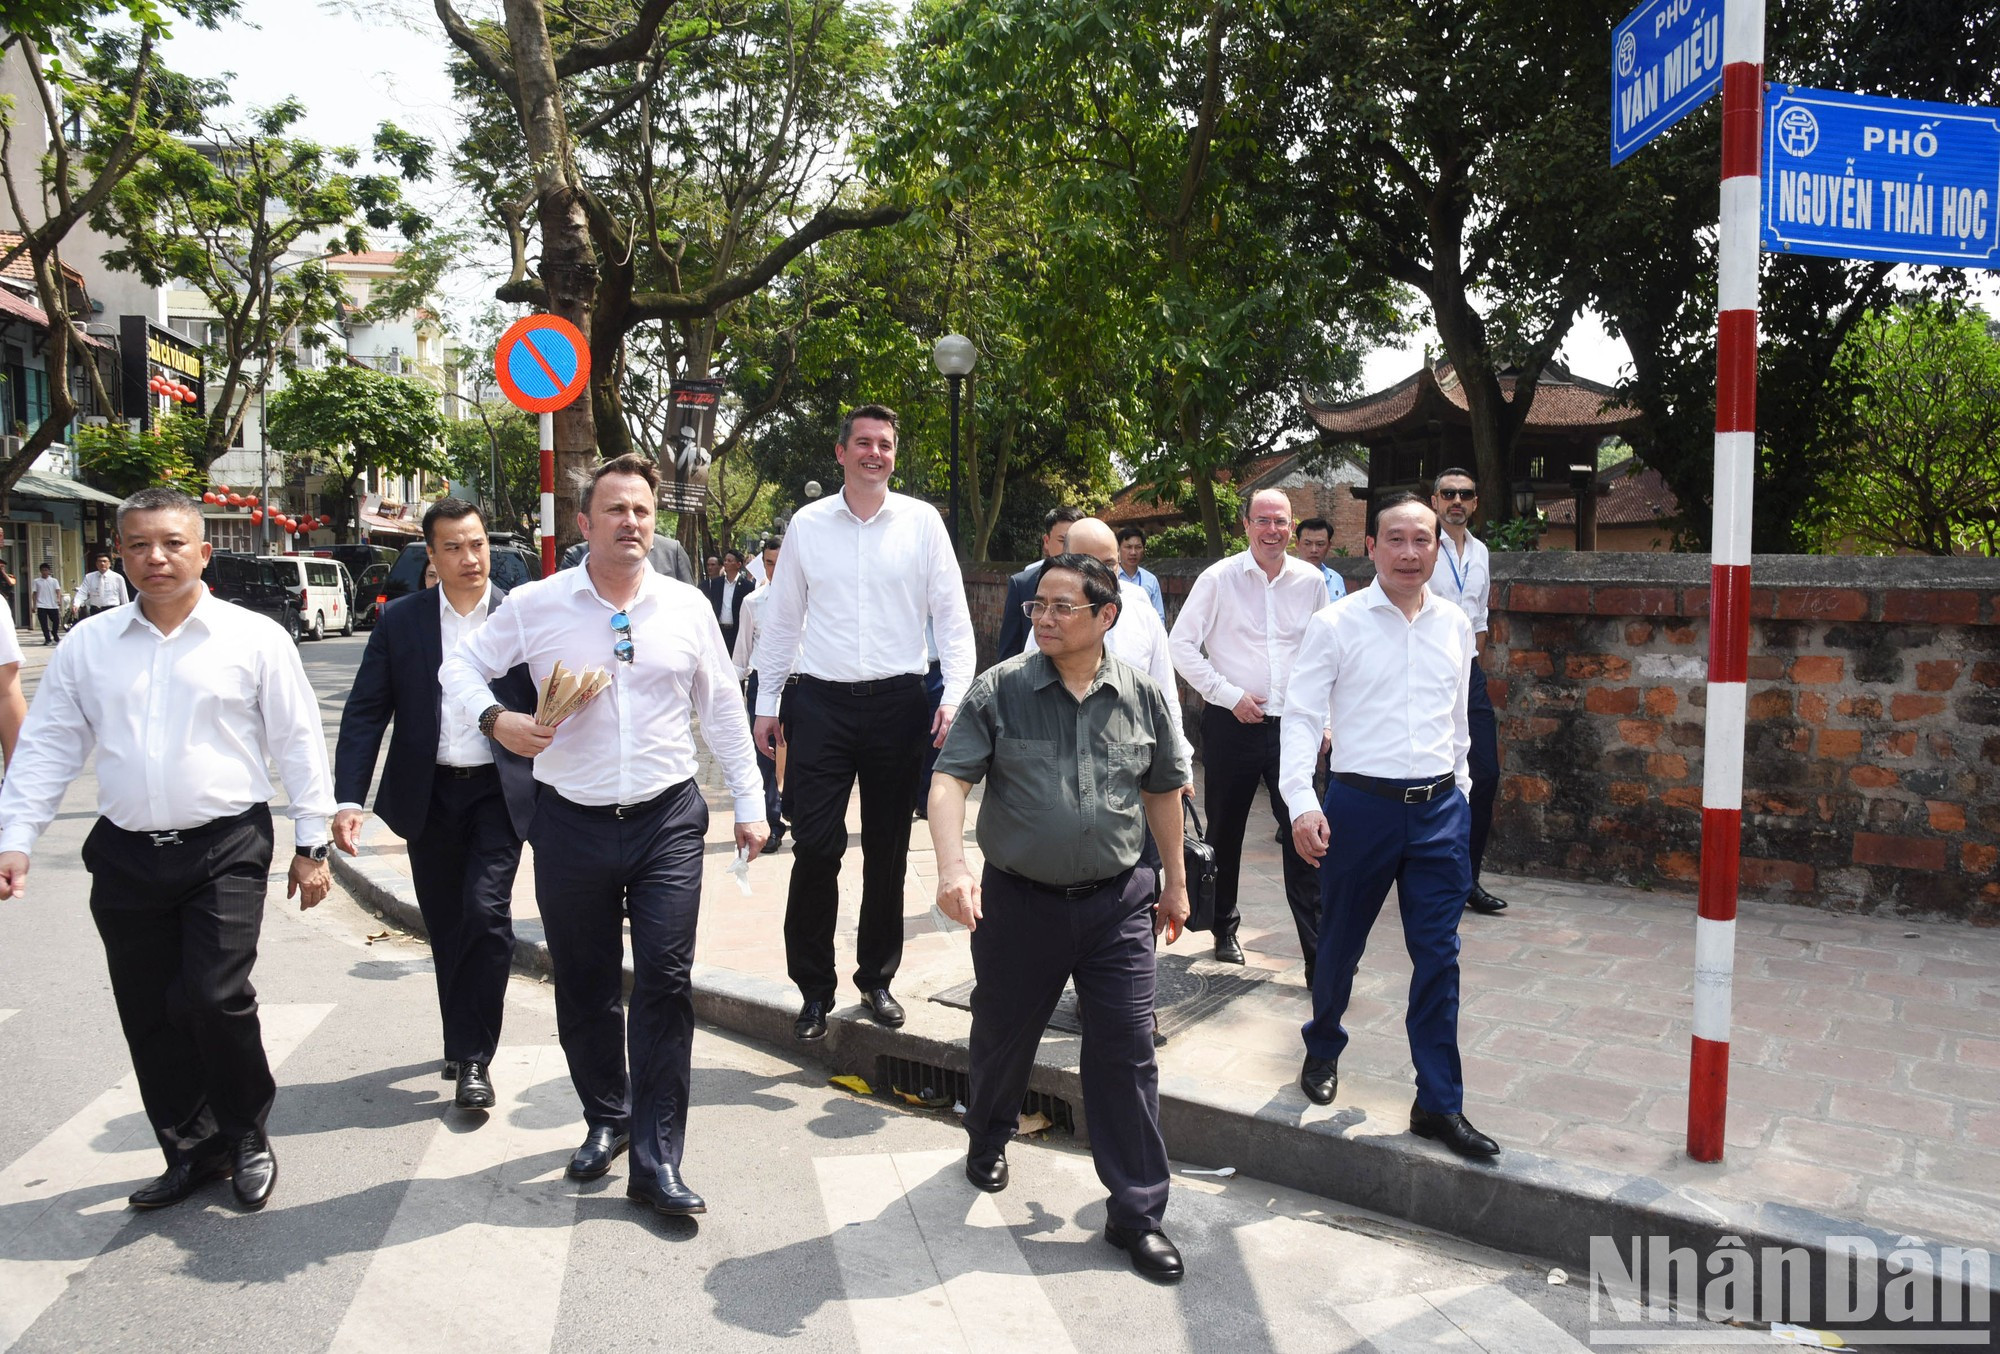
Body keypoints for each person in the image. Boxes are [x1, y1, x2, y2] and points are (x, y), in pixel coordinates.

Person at [441, 453, 767, 1217]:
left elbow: (721, 706)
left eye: (642, 512)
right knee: (586, 986)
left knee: (664, 980)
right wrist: (498, 719)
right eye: (615, 510)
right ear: (583, 524)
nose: (631, 523)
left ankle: (657, 1160)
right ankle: (607, 1117)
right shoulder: (537, 603)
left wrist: (750, 802)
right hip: (569, 823)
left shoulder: (686, 607)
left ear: (656, 525)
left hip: (666, 820)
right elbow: (460, 668)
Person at [0, 487, 335, 1211]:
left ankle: (246, 1133)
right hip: (124, 853)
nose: (156, 558)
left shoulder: (253, 639)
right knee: (149, 1009)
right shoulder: (90, 645)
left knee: (213, 997)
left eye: (172, 543)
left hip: (226, 844)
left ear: (203, 551)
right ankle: (191, 1149)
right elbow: (50, 746)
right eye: (139, 545)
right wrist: (15, 837)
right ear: (119, 555)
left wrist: (313, 844)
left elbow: (298, 742)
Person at [930, 553, 1191, 1283]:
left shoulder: (1140, 695)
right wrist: (953, 867)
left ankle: (1136, 1215)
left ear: (1105, 616)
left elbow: (1163, 789)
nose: (1041, 617)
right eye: (1036, 605)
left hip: (1117, 905)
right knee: (1003, 1037)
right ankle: (987, 1137)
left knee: (1126, 1052)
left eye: (1060, 607)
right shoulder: (1002, 689)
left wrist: (1173, 882)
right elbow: (949, 779)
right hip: (1020, 903)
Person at [1280, 492, 1497, 1159]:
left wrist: (1458, 792)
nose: (1410, 552)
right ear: (1370, 547)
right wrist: (1301, 802)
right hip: (1358, 808)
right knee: (1340, 943)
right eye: (1395, 540)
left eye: (1422, 540)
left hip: (1437, 815)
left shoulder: (1455, 624)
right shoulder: (1337, 623)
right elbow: (1300, 713)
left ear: (1439, 547)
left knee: (1440, 957)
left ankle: (1437, 1103)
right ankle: (1322, 1047)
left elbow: (1458, 721)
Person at [750, 404, 975, 1042]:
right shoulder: (808, 525)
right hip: (819, 703)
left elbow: (953, 620)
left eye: (886, 445)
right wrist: (768, 704)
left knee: (888, 850)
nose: (876, 453)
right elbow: (783, 620)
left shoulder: (923, 523)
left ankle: (875, 978)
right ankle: (813, 989)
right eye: (865, 443)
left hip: (900, 704)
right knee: (816, 848)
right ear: (842, 452)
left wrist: (953, 696)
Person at [332, 498, 539, 1111]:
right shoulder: (403, 622)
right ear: (431, 555)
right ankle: (460, 1039)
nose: (469, 558)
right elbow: (367, 711)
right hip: (427, 793)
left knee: (485, 915)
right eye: (453, 547)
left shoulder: (520, 616)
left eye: (477, 544)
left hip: (498, 793)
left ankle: (477, 1059)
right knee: (447, 925)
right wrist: (349, 798)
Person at [1167, 489, 1326, 976]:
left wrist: (1326, 721)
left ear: (1292, 525)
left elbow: (1325, 654)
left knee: (1307, 834)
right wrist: (1228, 694)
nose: (1273, 531)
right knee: (1226, 829)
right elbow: (1181, 646)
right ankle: (1224, 927)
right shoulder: (1219, 579)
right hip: (1233, 723)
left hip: (1294, 725)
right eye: (1263, 521)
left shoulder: (1311, 581)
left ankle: (1317, 953)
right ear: (1246, 525)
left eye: (1281, 522)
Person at [1429, 469, 1506, 917]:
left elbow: (1479, 616)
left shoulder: (1480, 552)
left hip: (1468, 673)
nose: (1457, 501)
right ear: (1435, 500)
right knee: (1430, 773)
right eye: (1449, 494)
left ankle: (1467, 879)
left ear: (1475, 503)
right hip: (1425, 670)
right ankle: (1427, 873)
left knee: (1485, 773)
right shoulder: (1422, 545)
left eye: (1466, 494)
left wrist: (1471, 664)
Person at [730, 534, 786, 850]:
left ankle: (800, 816)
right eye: (768, 563)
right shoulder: (753, 603)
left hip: (802, 685)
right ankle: (772, 822)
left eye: (780, 563)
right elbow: (741, 654)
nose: (774, 569)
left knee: (804, 758)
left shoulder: (812, 599)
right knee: (765, 759)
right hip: (763, 685)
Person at [995, 506, 1083, 660]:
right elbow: (1009, 651)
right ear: (1047, 541)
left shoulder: (1094, 585)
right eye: (1063, 541)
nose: (1069, 548)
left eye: (1076, 541)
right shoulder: (1022, 584)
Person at [558, 532, 694, 583]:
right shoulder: (577, 555)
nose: (630, 520)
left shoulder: (671, 551)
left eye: (640, 510)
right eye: (616, 509)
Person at [703, 548, 754, 655]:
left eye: (729, 561)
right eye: (725, 560)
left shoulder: (747, 586)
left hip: (737, 632)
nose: (726, 563)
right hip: (719, 631)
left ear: (738, 564)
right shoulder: (716, 584)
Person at [1116, 527, 1166, 621]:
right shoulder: (1111, 577)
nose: (1133, 552)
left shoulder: (1151, 580)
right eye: (1128, 547)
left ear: (1143, 549)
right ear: (1118, 549)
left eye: (1138, 547)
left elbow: (1159, 616)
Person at [1293, 518, 1348, 604]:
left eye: (1320, 544)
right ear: (1297, 544)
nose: (1314, 550)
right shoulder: (1286, 578)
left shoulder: (1336, 579)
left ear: (1329, 546)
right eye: (1307, 544)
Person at [75, 552, 131, 618]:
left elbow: (124, 597)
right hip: (95, 611)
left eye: (105, 561)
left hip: (112, 611)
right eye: (100, 561)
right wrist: (76, 604)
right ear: (96, 564)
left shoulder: (118, 578)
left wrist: (127, 612)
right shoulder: (89, 577)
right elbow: (82, 592)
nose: (102, 563)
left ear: (109, 563)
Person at [30, 564, 62, 645]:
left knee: (56, 621)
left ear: (49, 571)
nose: (44, 572)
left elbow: (58, 591)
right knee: (43, 623)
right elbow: (34, 593)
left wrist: (58, 599)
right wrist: (34, 605)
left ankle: (54, 633)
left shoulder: (54, 581)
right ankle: (47, 639)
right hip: (41, 605)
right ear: (40, 571)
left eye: (46, 570)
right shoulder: (36, 581)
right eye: (43, 570)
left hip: (53, 604)